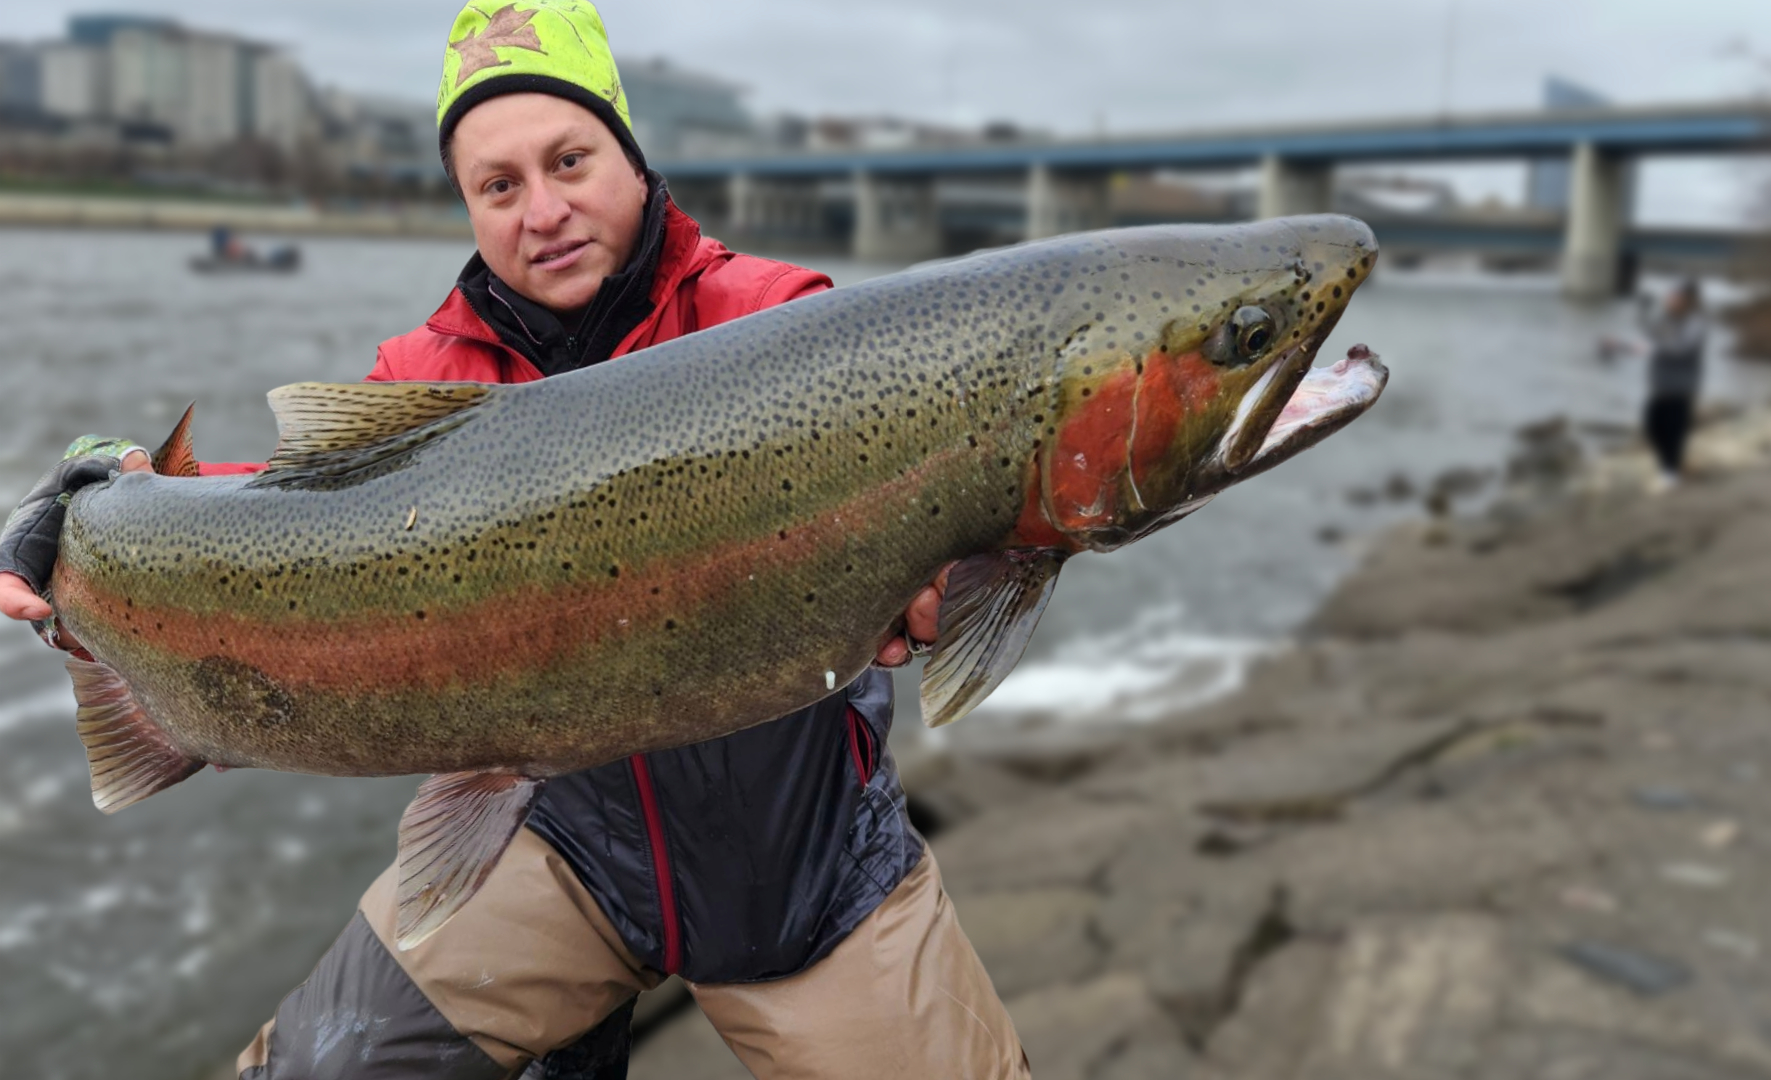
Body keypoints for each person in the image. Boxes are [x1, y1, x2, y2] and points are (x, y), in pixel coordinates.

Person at [0, 3, 1027, 1077]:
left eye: (570, 161)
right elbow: (283, 524)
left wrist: (955, 550)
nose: (544, 211)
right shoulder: (420, 378)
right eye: (498, 186)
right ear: (468, 207)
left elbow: (938, 459)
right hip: (556, 843)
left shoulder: (775, 317)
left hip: (804, 870)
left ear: (631, 156)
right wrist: (107, 487)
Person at [1606, 280, 1708, 494]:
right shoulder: (1666, 320)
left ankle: (1670, 476)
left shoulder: (1695, 324)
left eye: (1675, 297)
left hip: (1680, 389)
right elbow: (1648, 335)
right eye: (1669, 297)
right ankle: (1671, 469)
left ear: (1687, 301)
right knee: (1652, 428)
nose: (1669, 300)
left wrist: (1653, 345)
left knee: (1674, 433)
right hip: (1659, 387)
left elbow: (1680, 349)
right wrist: (1639, 315)